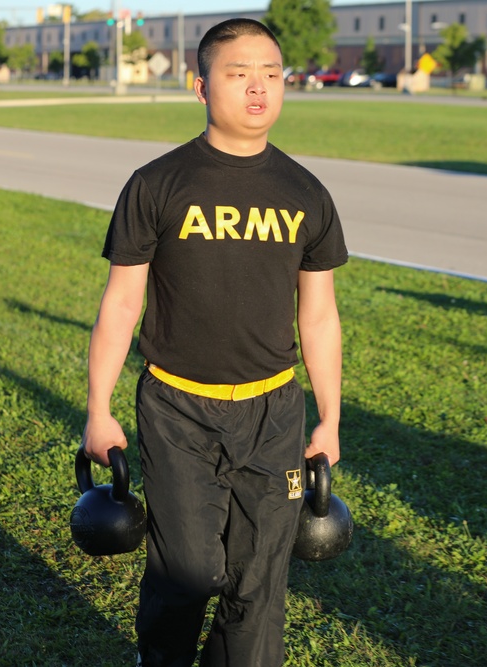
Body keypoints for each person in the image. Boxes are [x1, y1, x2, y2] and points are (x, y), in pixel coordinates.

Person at [81, 17, 348, 667]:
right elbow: (121, 301)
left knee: (259, 581)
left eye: (271, 74)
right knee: (190, 569)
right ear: (201, 87)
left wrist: (330, 417)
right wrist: (98, 407)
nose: (258, 88)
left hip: (273, 411)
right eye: (238, 74)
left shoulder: (306, 193)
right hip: (178, 408)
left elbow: (319, 316)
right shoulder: (158, 185)